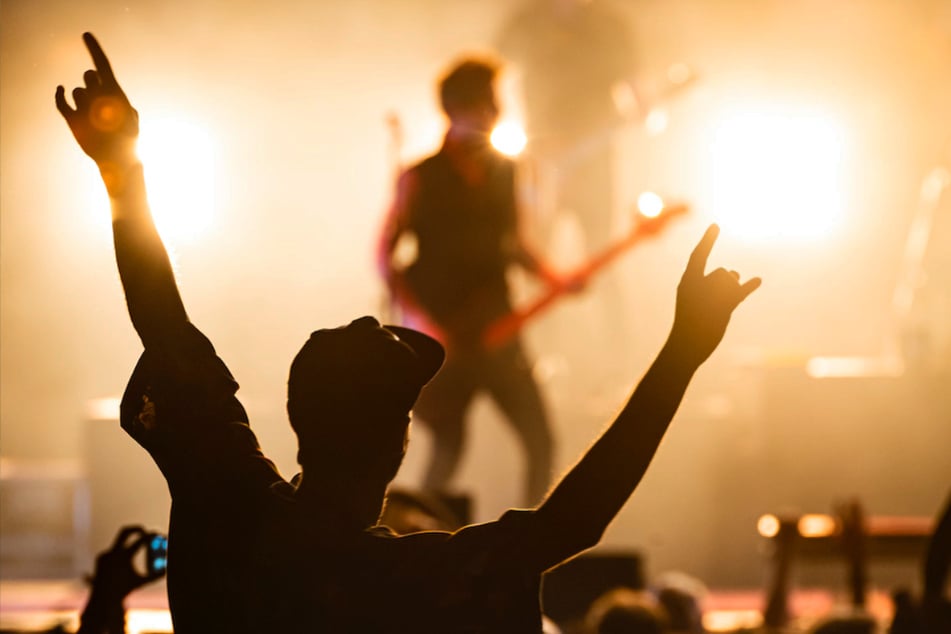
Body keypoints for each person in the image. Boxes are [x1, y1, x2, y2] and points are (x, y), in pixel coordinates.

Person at [58, 33, 760, 633]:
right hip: (457, 326)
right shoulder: (421, 582)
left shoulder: (228, 507)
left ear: (301, 418)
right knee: (486, 446)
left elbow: (165, 325)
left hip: (494, 334)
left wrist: (123, 178)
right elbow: (576, 517)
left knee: (525, 438)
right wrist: (681, 352)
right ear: (398, 442)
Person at [378, 57, 572, 506]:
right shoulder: (419, 176)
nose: (492, 112)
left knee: (540, 440)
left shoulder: (507, 171)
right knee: (448, 446)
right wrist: (421, 322)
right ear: (458, 108)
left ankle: (532, 546)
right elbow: (385, 257)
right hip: (443, 335)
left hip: (498, 327)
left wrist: (553, 278)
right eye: (484, 102)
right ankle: (415, 541)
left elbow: (515, 243)